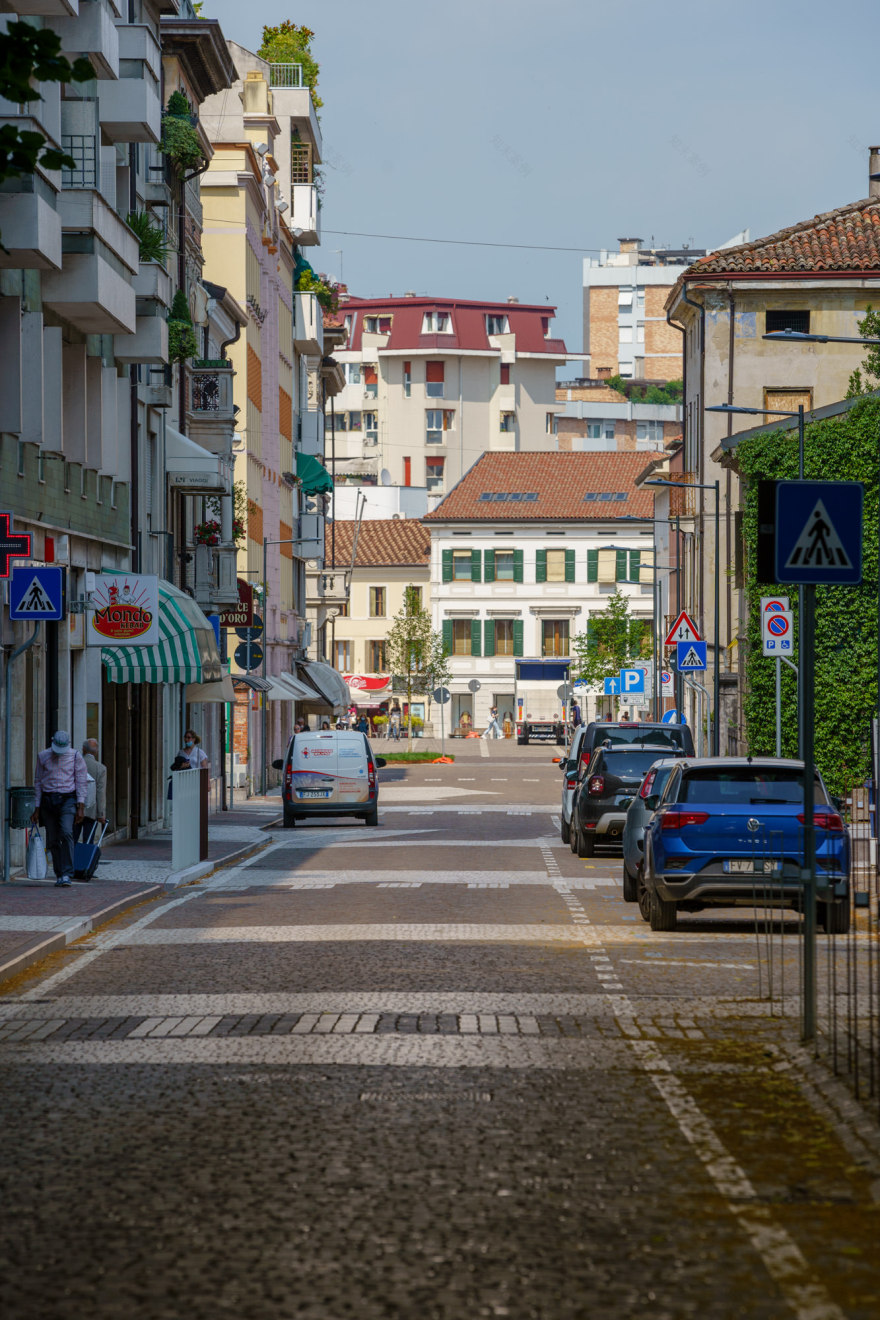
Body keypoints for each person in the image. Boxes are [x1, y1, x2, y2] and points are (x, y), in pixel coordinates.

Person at [31, 730, 87, 888]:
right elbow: (38, 781)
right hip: (48, 800)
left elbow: (81, 781)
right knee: (53, 838)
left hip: (67, 799)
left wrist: (81, 806)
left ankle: (68, 873)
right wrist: (37, 807)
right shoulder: (43, 756)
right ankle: (59, 873)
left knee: (67, 832)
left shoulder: (75, 756)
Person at [75, 738, 107, 845]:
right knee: (88, 840)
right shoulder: (101, 768)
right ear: (96, 752)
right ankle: (86, 860)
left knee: (72, 839)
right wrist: (101, 813)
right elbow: (100, 792)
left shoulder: (74, 764)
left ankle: (70, 860)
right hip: (91, 809)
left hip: (75, 807)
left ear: (83, 749)